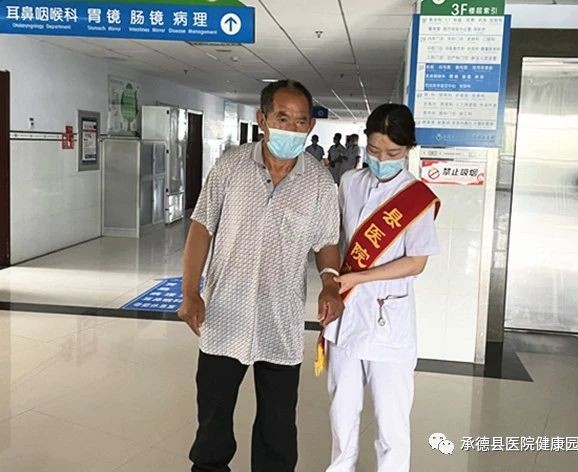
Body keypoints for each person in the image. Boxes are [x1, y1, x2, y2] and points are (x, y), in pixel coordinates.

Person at [179, 79, 344, 472]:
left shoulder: (319, 183)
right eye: (282, 118)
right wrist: (190, 291)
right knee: (213, 418)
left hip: (280, 320)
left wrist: (330, 282)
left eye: (301, 121)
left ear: (311, 126)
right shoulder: (231, 166)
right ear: (262, 119)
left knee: (278, 424)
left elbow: (326, 242)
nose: (292, 128)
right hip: (224, 315)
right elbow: (202, 227)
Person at [324, 104, 440, 472]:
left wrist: (359, 278)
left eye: (393, 153)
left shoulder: (416, 197)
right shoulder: (349, 182)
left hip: (389, 317)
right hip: (346, 316)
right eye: (374, 150)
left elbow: (416, 262)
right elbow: (337, 238)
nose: (382, 159)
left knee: (392, 423)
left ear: (408, 149)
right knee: (342, 413)